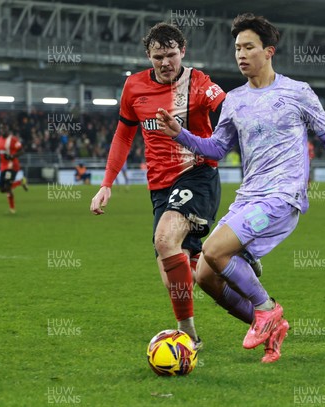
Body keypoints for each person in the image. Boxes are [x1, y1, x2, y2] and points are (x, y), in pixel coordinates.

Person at [156, 13, 325, 363]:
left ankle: (266, 309)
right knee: (204, 274)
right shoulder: (234, 100)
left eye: (249, 47)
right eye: (237, 48)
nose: (241, 54)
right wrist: (180, 134)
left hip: (283, 196)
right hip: (249, 197)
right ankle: (270, 327)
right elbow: (217, 148)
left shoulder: (297, 92)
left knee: (214, 250)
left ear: (269, 51)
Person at [90, 22, 228, 346]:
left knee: (165, 240)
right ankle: (229, 258)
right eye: (157, 57)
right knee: (174, 277)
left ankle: (188, 338)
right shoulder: (134, 87)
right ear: (148, 56)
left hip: (198, 174)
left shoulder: (198, 82)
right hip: (160, 187)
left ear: (183, 51)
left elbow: (229, 110)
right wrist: (106, 183)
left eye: (171, 55)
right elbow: (124, 135)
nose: (165, 63)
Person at [0, 129, 28, 214]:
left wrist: (13, 156)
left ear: (8, 130)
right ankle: (20, 182)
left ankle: (12, 209)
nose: (3, 131)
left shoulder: (13, 139)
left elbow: (22, 151)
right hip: (3, 166)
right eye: (2, 128)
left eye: (5, 129)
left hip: (11, 165)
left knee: (8, 186)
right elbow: (0, 151)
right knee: (2, 189)